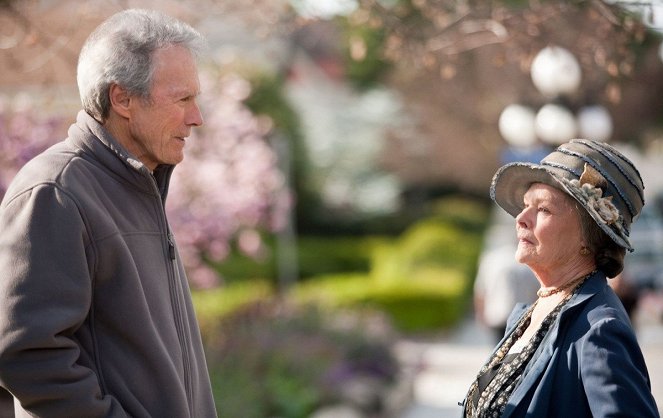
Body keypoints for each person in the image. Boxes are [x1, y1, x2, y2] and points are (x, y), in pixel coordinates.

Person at [0, 9, 217, 418]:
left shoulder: (140, 186)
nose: (197, 117)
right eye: (182, 98)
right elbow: (26, 353)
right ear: (122, 99)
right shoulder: (54, 192)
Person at [462, 139, 660, 417]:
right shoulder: (530, 313)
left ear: (588, 236)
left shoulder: (599, 329)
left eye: (543, 209)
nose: (521, 218)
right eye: (525, 205)